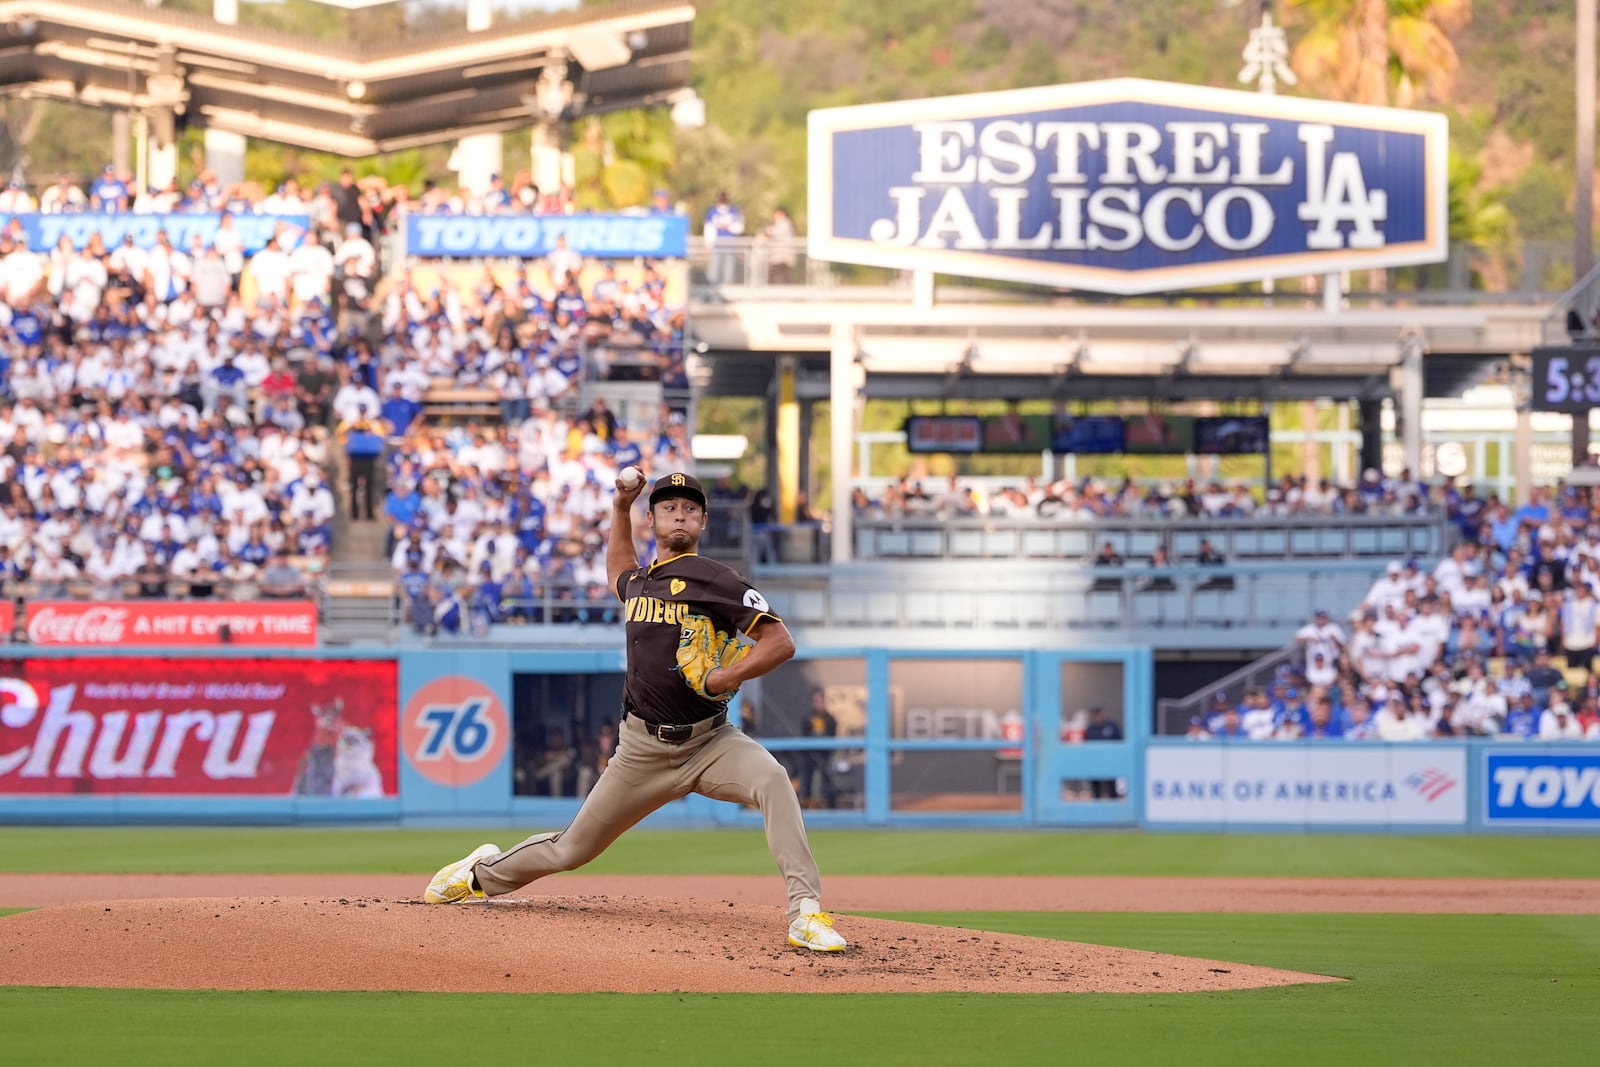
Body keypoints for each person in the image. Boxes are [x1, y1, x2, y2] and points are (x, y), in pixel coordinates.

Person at [423, 472, 847, 952]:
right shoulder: (641, 581)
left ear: (703, 521)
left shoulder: (717, 579)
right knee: (571, 849)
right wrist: (620, 506)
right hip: (641, 750)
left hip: (710, 743)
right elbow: (617, 569)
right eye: (669, 507)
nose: (679, 514)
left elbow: (780, 642)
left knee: (772, 780)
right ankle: (479, 874)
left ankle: (806, 914)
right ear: (653, 519)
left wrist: (726, 678)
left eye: (689, 508)